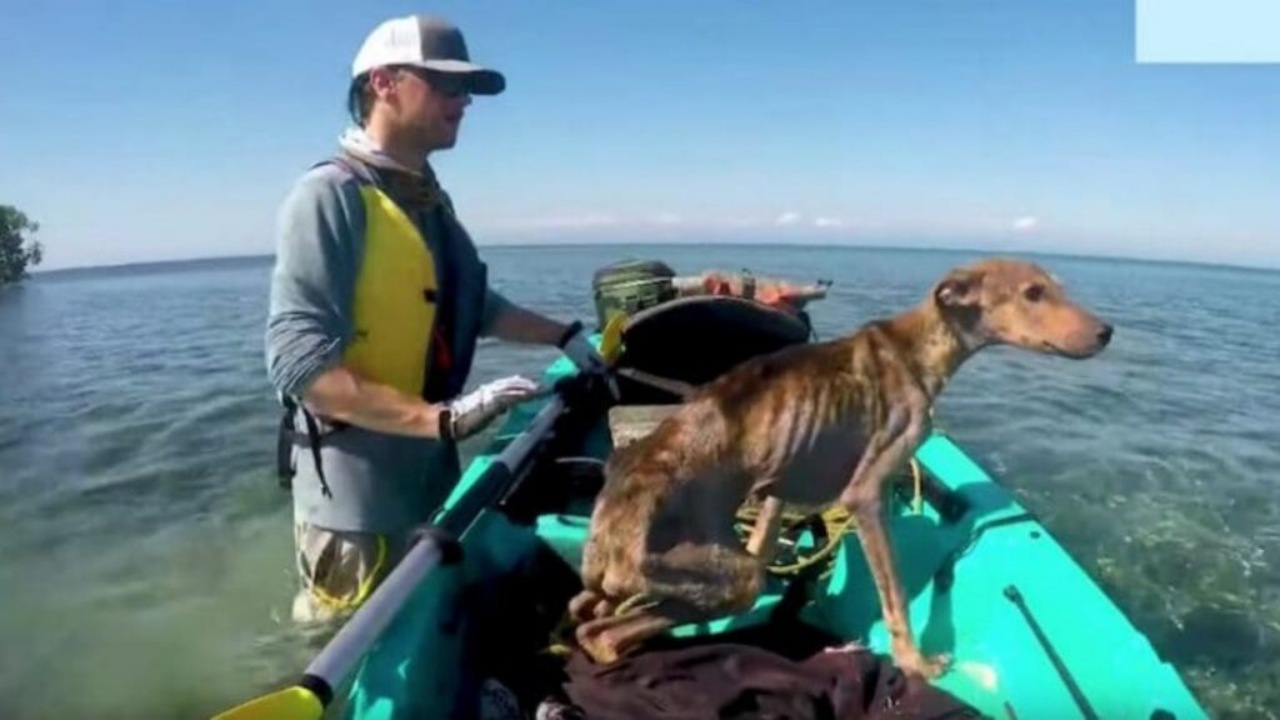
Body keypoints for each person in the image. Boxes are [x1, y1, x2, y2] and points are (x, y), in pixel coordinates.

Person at [264, 13, 605, 624]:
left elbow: (477, 308)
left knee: (423, 623)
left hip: (429, 474)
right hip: (356, 506)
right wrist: (441, 417)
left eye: (467, 90)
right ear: (384, 84)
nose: (463, 102)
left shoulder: (428, 202)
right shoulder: (329, 197)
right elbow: (297, 363)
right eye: (446, 85)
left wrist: (564, 336)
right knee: (343, 645)